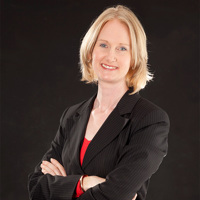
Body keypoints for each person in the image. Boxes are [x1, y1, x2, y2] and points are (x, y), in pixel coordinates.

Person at [28, 5, 170, 200]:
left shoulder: (150, 119)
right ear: (90, 51)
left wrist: (64, 186)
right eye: (103, 45)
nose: (110, 56)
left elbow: (116, 194)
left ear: (134, 59)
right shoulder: (71, 116)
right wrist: (84, 182)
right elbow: (37, 187)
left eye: (122, 48)